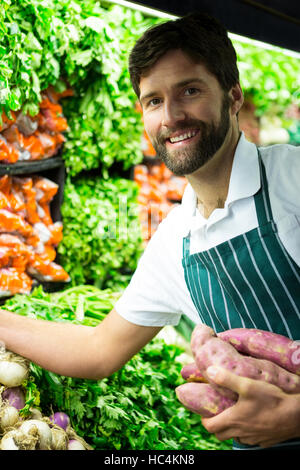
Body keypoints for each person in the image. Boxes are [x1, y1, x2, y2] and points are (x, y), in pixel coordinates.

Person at [1, 12, 300, 450]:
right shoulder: (175, 240)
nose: (171, 116)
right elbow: (97, 350)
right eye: (153, 101)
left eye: (190, 91)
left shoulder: (292, 179)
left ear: (233, 96)